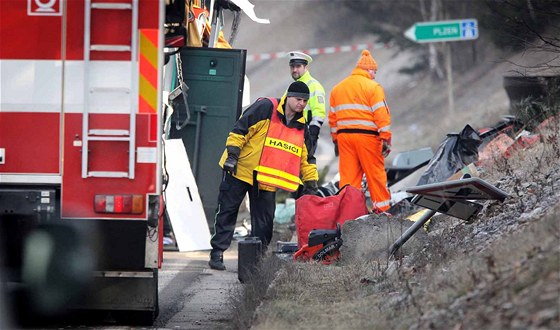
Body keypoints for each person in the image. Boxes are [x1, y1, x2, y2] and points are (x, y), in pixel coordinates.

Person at [208, 81, 319, 271]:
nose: (301, 103)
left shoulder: (302, 127)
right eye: (298, 99)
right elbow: (240, 130)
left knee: (265, 223)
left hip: (266, 179)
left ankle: (255, 262)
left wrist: (311, 184)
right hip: (240, 169)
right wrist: (232, 157)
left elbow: (307, 159)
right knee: (227, 211)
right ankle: (217, 253)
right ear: (288, 97)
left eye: (305, 101)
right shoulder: (266, 108)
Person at [328, 49, 392, 213]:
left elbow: (333, 118)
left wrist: (336, 140)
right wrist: (386, 139)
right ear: (368, 69)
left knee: (349, 179)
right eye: (374, 71)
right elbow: (381, 115)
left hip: (344, 139)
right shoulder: (373, 87)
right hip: (368, 139)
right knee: (375, 176)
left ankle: (349, 215)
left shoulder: (337, 89)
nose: (375, 75)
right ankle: (382, 211)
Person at [286, 51, 326, 163]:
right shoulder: (293, 87)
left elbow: (319, 112)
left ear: (305, 67)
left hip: (305, 136)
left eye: (298, 66)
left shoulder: (314, 85)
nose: (294, 70)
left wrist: (313, 133)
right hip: (291, 135)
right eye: (292, 66)